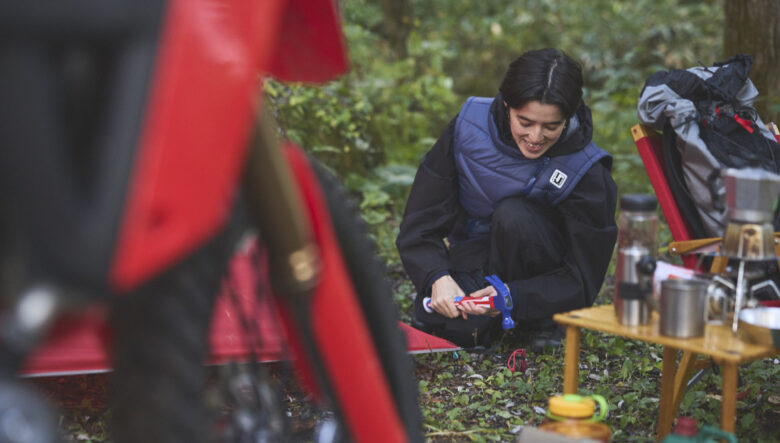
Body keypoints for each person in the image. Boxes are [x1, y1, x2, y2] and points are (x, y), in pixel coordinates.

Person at [396, 48, 617, 350]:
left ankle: (544, 321)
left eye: (551, 126)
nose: (536, 137)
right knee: (434, 317)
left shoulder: (587, 170)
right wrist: (437, 277)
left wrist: (510, 297)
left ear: (569, 115)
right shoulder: (467, 128)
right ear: (506, 103)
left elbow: (582, 280)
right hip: (481, 255)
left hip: (543, 282)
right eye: (525, 122)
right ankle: (490, 317)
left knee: (514, 213)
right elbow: (421, 222)